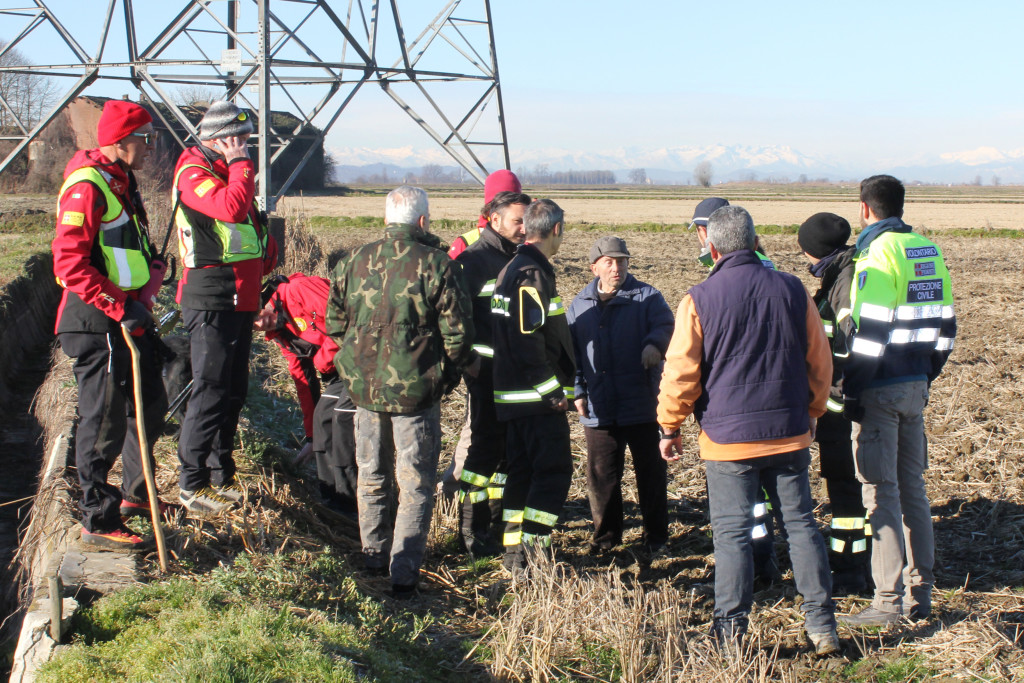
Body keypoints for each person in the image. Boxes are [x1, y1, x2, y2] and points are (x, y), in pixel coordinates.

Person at [658, 205, 838, 655]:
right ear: (755, 242)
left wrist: (669, 425)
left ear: (712, 246)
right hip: (790, 433)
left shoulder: (698, 298)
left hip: (727, 441)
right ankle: (822, 627)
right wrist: (813, 411)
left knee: (733, 534)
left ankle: (731, 632)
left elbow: (681, 372)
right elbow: (820, 361)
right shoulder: (794, 290)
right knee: (800, 528)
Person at [326, 186, 474, 597]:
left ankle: (374, 555)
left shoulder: (353, 261)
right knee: (415, 483)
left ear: (387, 219)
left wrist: (357, 361)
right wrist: (448, 373)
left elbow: (333, 323)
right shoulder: (438, 265)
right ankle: (404, 573)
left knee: (371, 473)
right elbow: (458, 337)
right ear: (423, 221)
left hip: (365, 390)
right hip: (416, 393)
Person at [52, 99, 171, 550]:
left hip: (125, 315)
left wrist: (149, 276)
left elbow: (122, 250)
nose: (152, 147)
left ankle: (136, 496)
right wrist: (121, 307)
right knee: (102, 421)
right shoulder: (87, 187)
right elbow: (69, 264)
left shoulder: (122, 181)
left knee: (149, 405)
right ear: (123, 141)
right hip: (96, 321)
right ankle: (98, 521)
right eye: (148, 139)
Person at [838, 175, 956, 627]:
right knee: (915, 493)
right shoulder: (927, 249)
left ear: (865, 208)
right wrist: (926, 374)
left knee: (880, 496)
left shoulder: (876, 254)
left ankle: (886, 604)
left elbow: (869, 334)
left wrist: (854, 391)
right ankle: (920, 596)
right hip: (915, 386)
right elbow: (947, 325)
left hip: (880, 389)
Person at [173, 100, 278, 517]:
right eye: (242, 140)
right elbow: (231, 210)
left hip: (237, 297)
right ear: (221, 139)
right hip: (211, 297)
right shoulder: (194, 173)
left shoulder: (224, 171)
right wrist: (240, 165)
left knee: (233, 391)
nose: (247, 148)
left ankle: (220, 474)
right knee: (210, 389)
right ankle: (191, 483)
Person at [690, 197, 782, 585]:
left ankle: (750, 573)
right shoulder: (769, 272)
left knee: (741, 504)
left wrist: (671, 423)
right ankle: (766, 566)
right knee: (769, 502)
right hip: (775, 411)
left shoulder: (730, 279)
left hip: (736, 414)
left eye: (701, 229)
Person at [567, 236, 674, 554]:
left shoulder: (648, 297)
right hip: (599, 407)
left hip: (642, 404)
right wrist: (577, 390)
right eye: (609, 262)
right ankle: (606, 539)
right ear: (594, 267)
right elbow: (571, 353)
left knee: (651, 476)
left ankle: (656, 538)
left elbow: (667, 325)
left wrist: (655, 344)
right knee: (602, 478)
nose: (617, 268)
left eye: (622, 261)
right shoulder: (579, 304)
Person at [491, 199, 575, 572]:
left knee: (521, 474)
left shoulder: (511, 267)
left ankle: (514, 556)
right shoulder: (531, 274)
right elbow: (528, 342)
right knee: (553, 472)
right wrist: (553, 392)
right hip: (534, 400)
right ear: (555, 229)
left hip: (513, 399)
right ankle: (535, 557)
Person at [454, 190, 532, 556]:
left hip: (513, 374)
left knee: (505, 455)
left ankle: (498, 523)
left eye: (527, 222)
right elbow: (456, 318)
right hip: (485, 375)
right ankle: (471, 531)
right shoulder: (473, 262)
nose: (523, 229)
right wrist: (471, 361)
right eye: (518, 221)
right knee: (482, 453)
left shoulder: (519, 260)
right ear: (494, 219)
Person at [798, 212, 872, 595]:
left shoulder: (842, 284)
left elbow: (847, 349)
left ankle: (851, 569)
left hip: (842, 409)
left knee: (846, 491)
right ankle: (861, 564)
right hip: (841, 405)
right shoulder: (843, 272)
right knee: (851, 488)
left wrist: (830, 401)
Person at [440, 169, 524, 500]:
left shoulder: (513, 243)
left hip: (502, 361)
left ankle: (481, 501)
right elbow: (452, 306)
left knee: (489, 435)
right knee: (478, 432)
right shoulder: (469, 251)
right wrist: (468, 359)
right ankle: (456, 495)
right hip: (483, 361)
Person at [255, 273, 357, 517]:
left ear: (262, 301)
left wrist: (323, 358)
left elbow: (348, 320)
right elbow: (303, 381)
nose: (260, 325)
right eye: (252, 326)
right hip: (337, 370)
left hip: (361, 356)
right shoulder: (282, 335)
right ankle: (331, 499)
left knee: (341, 421)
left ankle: (353, 500)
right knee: (322, 421)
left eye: (256, 316)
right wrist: (311, 438)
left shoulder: (299, 290)